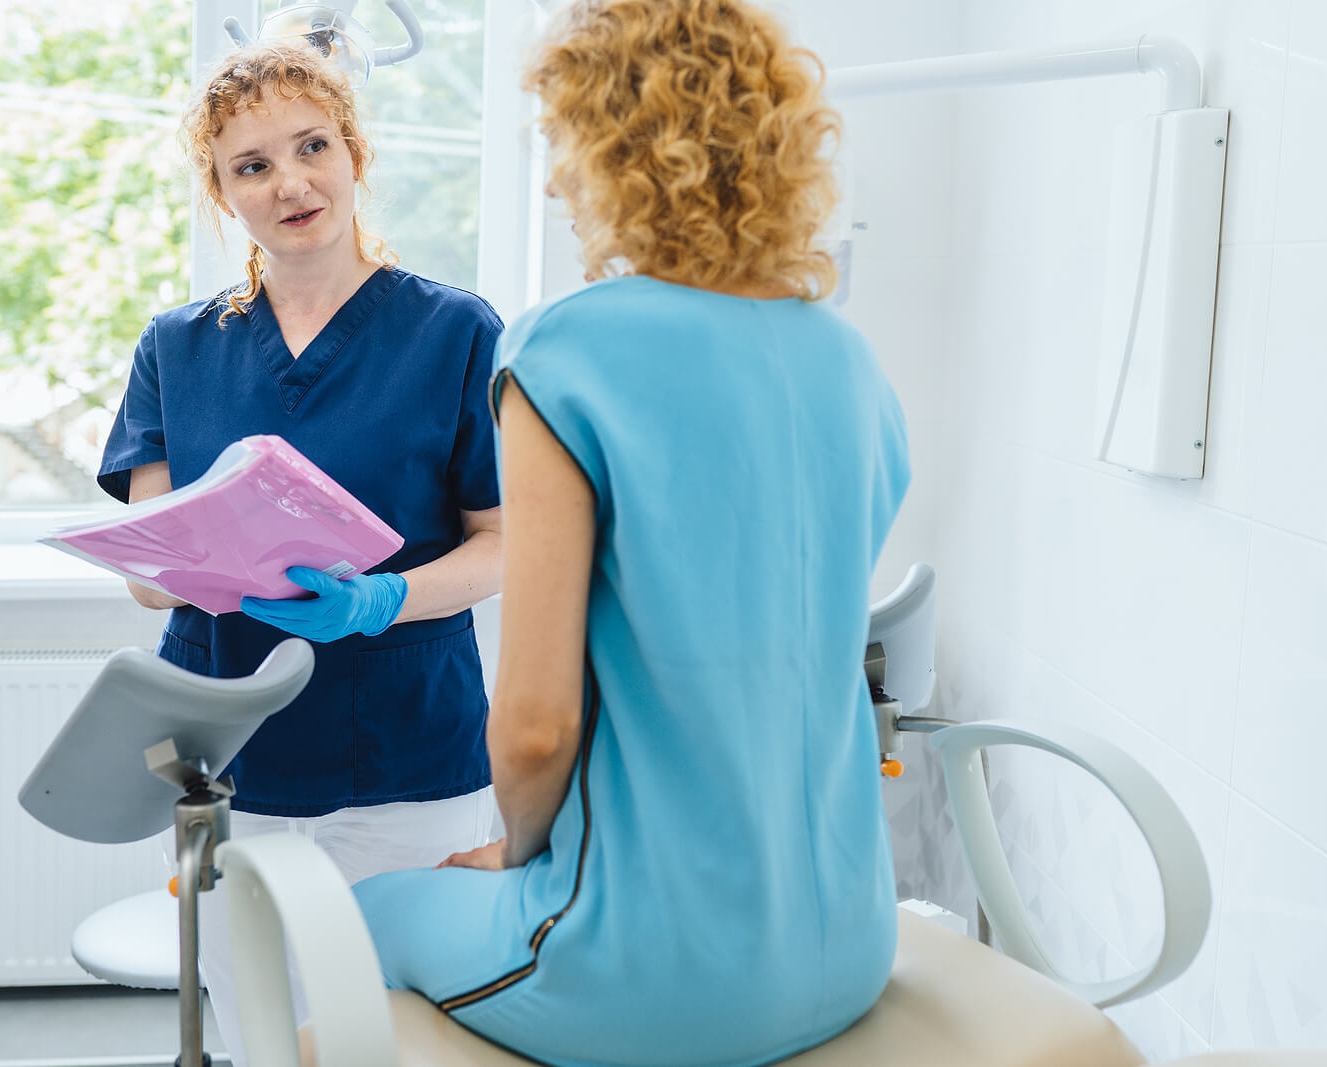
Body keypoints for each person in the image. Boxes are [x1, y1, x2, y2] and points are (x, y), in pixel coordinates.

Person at [348, 0, 912, 1064]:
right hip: (848, 941)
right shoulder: (850, 363)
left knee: (360, 911)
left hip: (653, 968)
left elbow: (533, 730)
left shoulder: (568, 352)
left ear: (625, 149)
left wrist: (514, 857)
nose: (554, 182)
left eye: (563, 141)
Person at [95, 41, 503, 1065]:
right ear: (221, 193)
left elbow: (505, 544)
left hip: (410, 749)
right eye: (252, 165)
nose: (291, 182)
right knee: (261, 1033)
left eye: (312, 146)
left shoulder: (456, 331)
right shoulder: (175, 346)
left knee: (408, 1032)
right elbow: (148, 568)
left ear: (355, 152)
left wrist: (380, 599)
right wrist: (174, 566)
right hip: (230, 748)